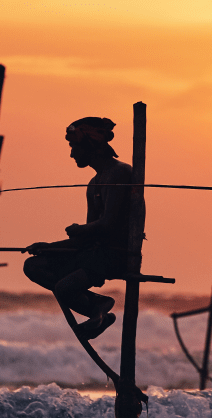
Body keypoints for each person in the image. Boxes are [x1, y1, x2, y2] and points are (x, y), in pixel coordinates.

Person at [23, 117, 133, 339]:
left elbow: (108, 225)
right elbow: (88, 237)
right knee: (33, 266)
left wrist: (81, 230)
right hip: (93, 253)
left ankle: (97, 310)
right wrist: (50, 247)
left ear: (89, 145)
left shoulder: (120, 173)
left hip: (116, 255)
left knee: (64, 289)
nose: (72, 154)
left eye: (74, 147)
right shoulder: (93, 184)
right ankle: (96, 307)